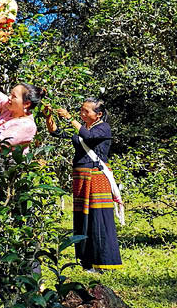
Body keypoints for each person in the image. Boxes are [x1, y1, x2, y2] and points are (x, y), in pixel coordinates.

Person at [46, 98, 123, 272]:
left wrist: (69, 118)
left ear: (99, 114)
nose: (82, 114)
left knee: (97, 217)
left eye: (86, 111)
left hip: (96, 177)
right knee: (82, 218)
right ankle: (86, 262)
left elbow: (88, 137)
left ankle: (101, 261)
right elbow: (57, 133)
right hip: (81, 177)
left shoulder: (103, 128)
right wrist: (48, 117)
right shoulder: (84, 128)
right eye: (81, 110)